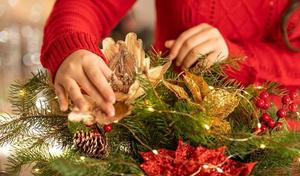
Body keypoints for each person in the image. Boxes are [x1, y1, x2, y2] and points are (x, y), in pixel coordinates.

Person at [41, 0, 300, 118]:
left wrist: (236, 58)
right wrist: (72, 46)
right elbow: (89, 4)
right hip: (164, 149)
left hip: (276, 161)